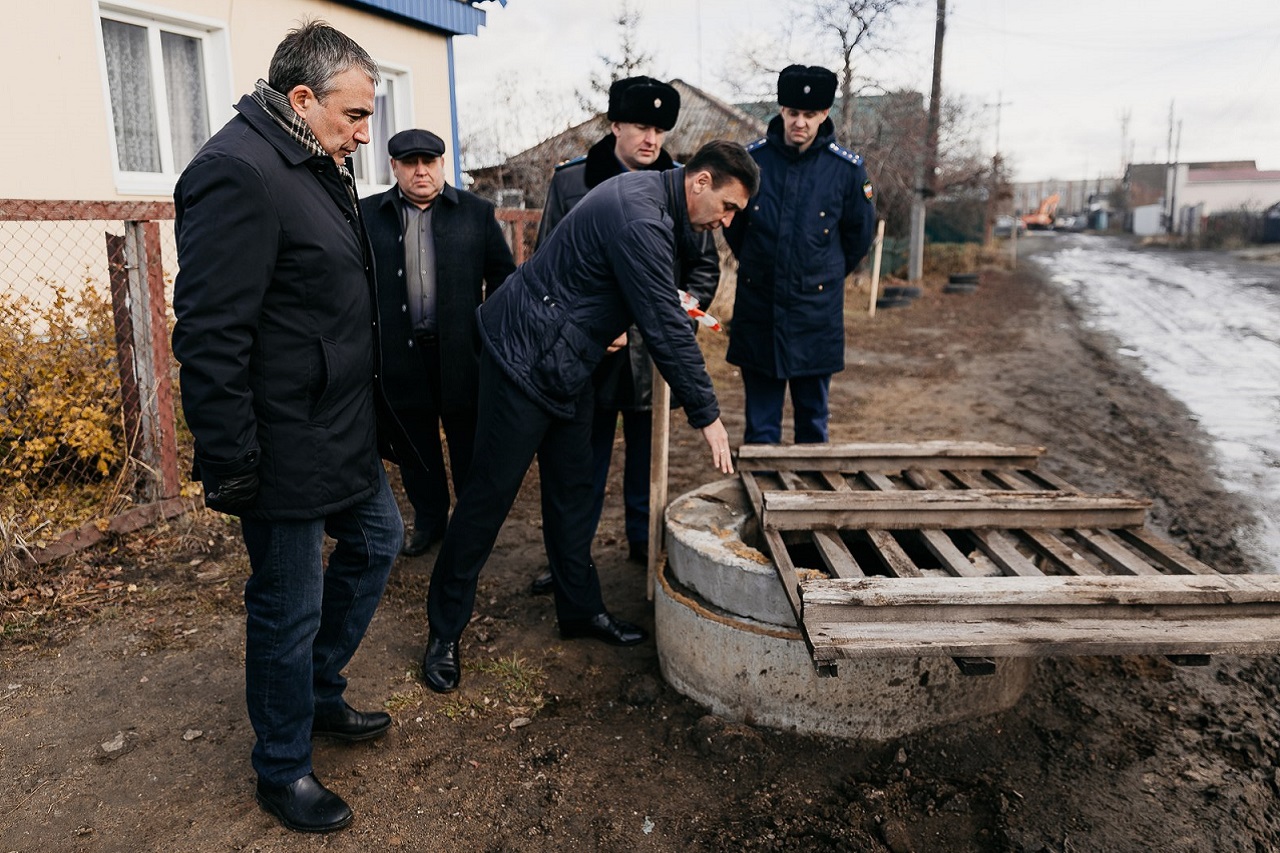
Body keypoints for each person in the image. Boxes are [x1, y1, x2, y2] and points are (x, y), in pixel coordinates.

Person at [171, 21, 413, 834]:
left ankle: (315, 688)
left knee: (379, 541)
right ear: (303, 99)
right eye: (353, 114)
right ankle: (282, 764)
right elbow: (210, 332)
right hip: (279, 439)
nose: (364, 131)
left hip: (336, 426)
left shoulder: (314, 161)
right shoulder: (237, 173)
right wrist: (230, 454)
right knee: (287, 603)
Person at [420, 140, 759, 694]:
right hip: (522, 358)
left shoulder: (657, 202)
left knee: (575, 489)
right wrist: (708, 414)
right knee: (488, 497)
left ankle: (578, 610)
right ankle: (443, 631)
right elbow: (665, 326)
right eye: (727, 208)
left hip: (571, 358)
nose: (725, 222)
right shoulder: (641, 215)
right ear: (700, 182)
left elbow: (601, 274)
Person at [529, 76, 720, 596]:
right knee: (579, 463)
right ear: (615, 125)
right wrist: (578, 324)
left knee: (645, 454)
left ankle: (643, 544)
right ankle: (570, 560)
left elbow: (703, 270)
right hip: (586, 353)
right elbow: (548, 265)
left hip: (647, 356)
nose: (651, 138)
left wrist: (676, 316)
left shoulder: (684, 188)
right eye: (640, 126)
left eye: (659, 129)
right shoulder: (572, 182)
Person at [361, 129, 516, 557]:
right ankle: (429, 522)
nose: (421, 171)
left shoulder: (476, 213)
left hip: (463, 354)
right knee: (416, 449)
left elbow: (503, 277)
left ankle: (469, 529)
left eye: (429, 161)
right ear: (394, 167)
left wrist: (490, 334)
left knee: (470, 444)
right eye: (410, 163)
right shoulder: (368, 215)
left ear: (442, 164)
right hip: (399, 356)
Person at [724, 64, 877, 444]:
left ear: (825, 114)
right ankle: (763, 498)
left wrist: (821, 273)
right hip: (759, 310)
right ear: (782, 111)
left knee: (813, 424)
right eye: (793, 113)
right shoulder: (752, 162)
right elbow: (735, 227)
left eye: (810, 115)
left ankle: (814, 502)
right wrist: (764, 268)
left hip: (816, 315)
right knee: (760, 428)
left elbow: (859, 236)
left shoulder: (847, 170)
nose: (800, 123)